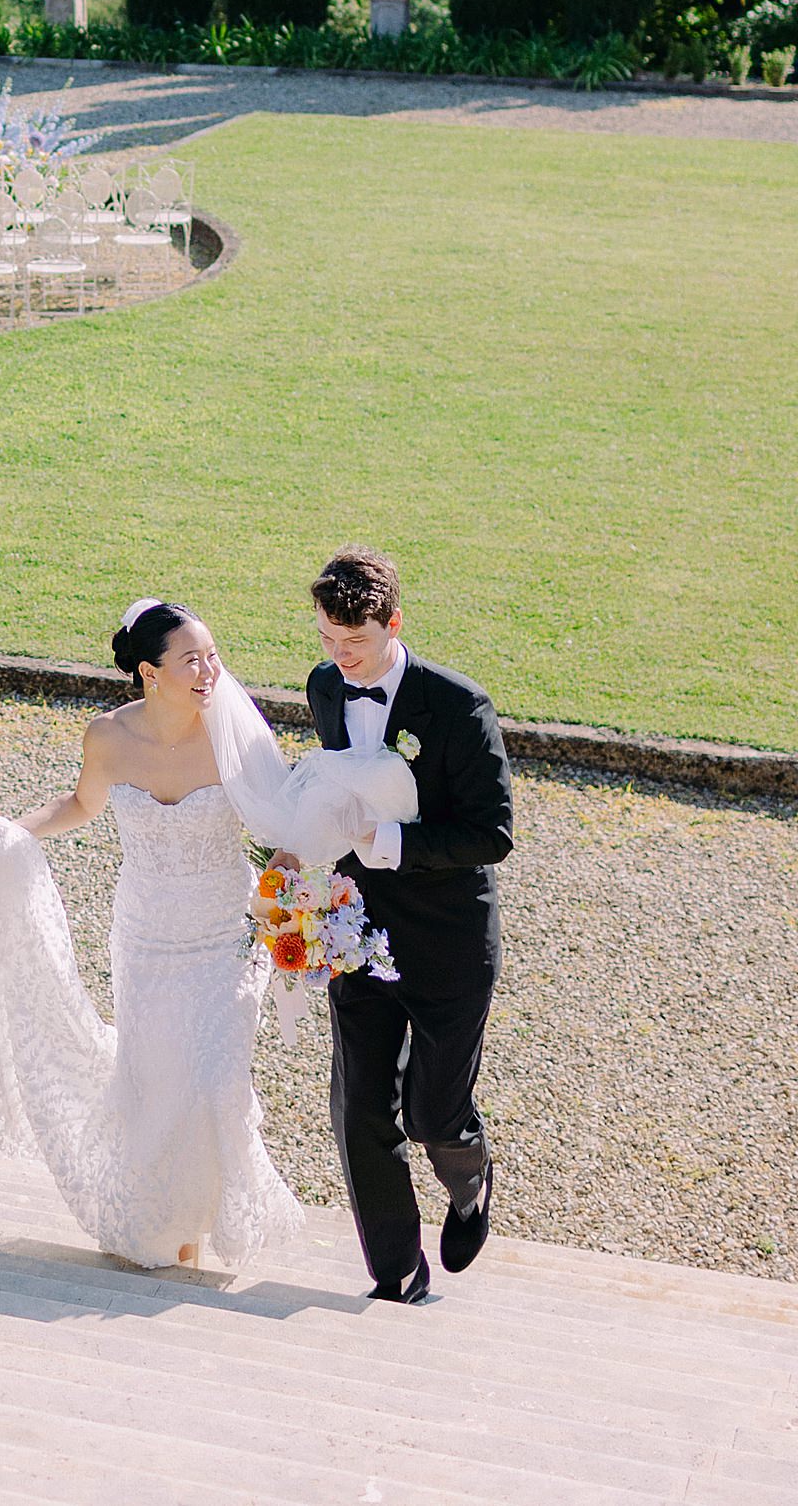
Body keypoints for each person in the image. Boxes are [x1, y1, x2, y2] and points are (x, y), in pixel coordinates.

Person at [0, 597, 415, 1273]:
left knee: (214, 1083)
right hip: (146, 937)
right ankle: (165, 1233)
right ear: (148, 672)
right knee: (157, 1086)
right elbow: (80, 805)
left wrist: (286, 897)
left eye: (213, 657)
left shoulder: (234, 739)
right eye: (191, 660)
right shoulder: (108, 737)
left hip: (223, 939)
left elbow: (283, 833)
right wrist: (8, 833)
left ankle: (204, 1225)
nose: (209, 671)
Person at [302, 547, 514, 1305]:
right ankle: (395, 1271)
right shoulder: (325, 689)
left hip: (448, 940)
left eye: (353, 643)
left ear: (394, 622)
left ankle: (470, 1179)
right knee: (359, 1106)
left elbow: (492, 833)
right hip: (355, 931)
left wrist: (390, 845)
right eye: (327, 640)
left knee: (433, 1111)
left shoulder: (459, 707)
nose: (339, 659)